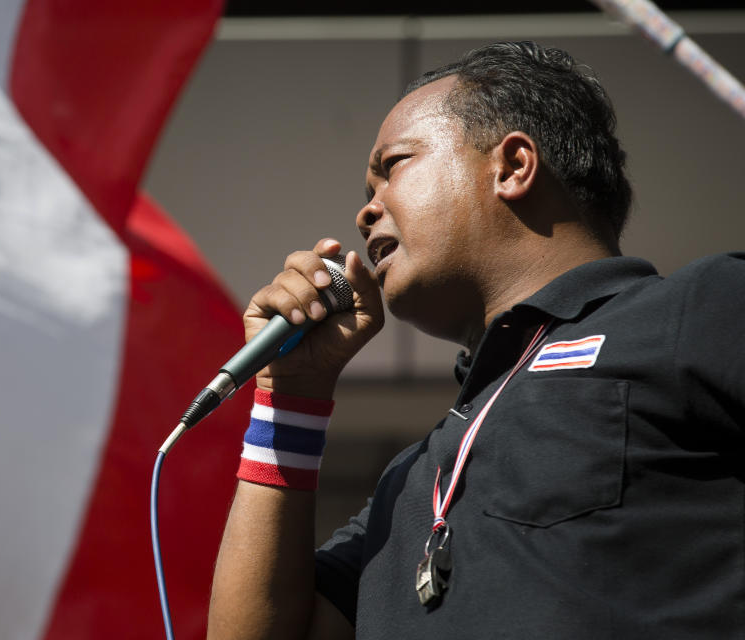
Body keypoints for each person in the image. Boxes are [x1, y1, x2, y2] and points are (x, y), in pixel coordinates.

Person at [207, 41, 744, 639]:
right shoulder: (410, 479)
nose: (367, 212)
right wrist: (289, 398)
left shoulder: (704, 307)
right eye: (366, 194)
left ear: (513, 166)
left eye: (395, 165)